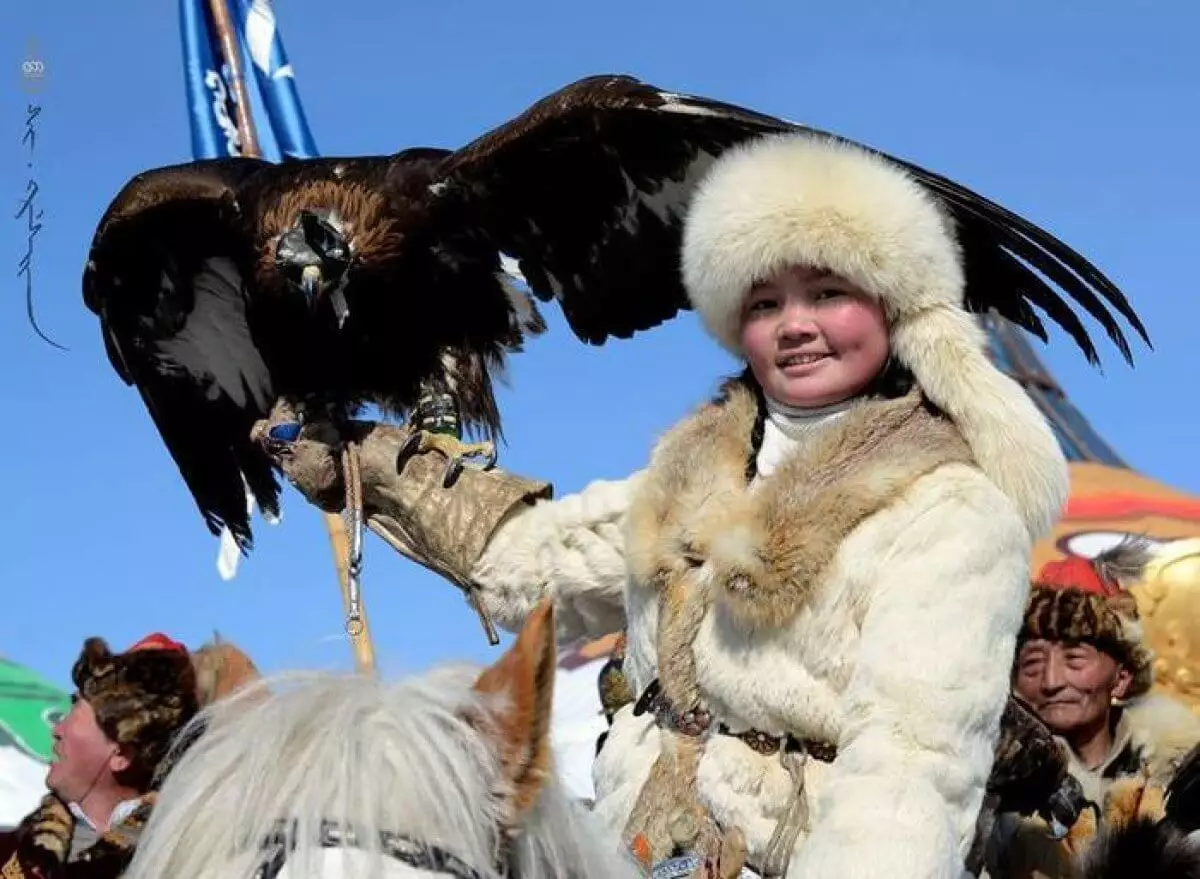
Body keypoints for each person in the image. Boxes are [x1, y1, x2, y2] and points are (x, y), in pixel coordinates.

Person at [262, 132, 1078, 878]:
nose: (795, 325)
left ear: (894, 309)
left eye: (829, 291)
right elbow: (521, 564)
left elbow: (913, 765)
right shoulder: (690, 471)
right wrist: (362, 460)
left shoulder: (950, 509)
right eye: (764, 303)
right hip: (631, 852)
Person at [987, 543, 1200, 877]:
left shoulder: (1175, 771)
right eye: (1032, 662)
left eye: (1074, 659)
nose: (1051, 681)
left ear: (1121, 678)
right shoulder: (987, 782)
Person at [0, 633, 258, 878]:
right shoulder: (9, 852)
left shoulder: (193, 859)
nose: (57, 729)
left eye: (75, 709)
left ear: (121, 753)